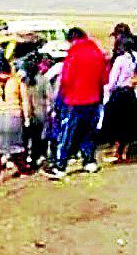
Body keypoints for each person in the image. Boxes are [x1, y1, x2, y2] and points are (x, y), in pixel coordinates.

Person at [47, 29, 109, 176]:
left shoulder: (74, 53)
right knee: (88, 131)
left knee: (68, 132)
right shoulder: (97, 52)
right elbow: (104, 78)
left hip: (75, 99)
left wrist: (63, 96)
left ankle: (60, 166)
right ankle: (90, 161)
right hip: (93, 97)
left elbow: (66, 78)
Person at [99, 35, 137, 163]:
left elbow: (113, 80)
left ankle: (117, 151)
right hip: (133, 93)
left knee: (117, 125)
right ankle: (125, 151)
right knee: (128, 124)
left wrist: (107, 92)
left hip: (120, 94)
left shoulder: (120, 60)